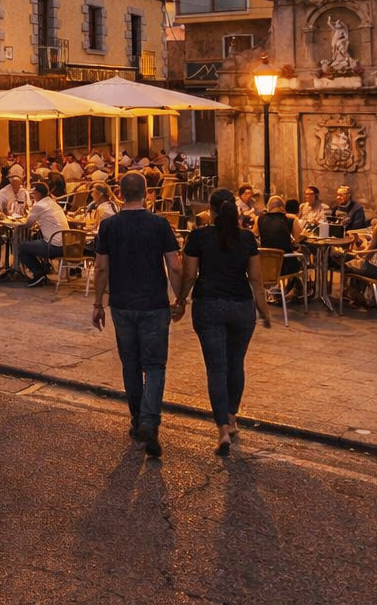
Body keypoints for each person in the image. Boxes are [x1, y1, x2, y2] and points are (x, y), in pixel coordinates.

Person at [92, 171, 181, 458]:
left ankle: (137, 420)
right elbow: (175, 266)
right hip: (154, 304)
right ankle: (149, 421)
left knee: (130, 364)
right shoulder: (159, 224)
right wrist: (181, 298)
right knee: (154, 366)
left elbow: (101, 267)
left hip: (121, 303)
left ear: (120, 192)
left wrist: (97, 303)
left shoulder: (108, 226)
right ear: (146, 193)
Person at [176, 190, 272, 455]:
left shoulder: (198, 237)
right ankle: (231, 418)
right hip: (241, 306)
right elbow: (256, 279)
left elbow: (190, 275)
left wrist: (181, 301)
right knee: (236, 363)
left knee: (216, 369)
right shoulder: (247, 238)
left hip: (209, 305)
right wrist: (263, 310)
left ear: (211, 210)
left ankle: (222, 432)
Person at [15, 183, 68, 286]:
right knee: (34, 241)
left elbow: (28, 224)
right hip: (65, 244)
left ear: (38, 194)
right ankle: (42, 272)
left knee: (21, 248)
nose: (32, 196)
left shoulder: (39, 205)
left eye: (33, 194)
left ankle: (38, 273)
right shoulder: (53, 203)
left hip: (53, 245)